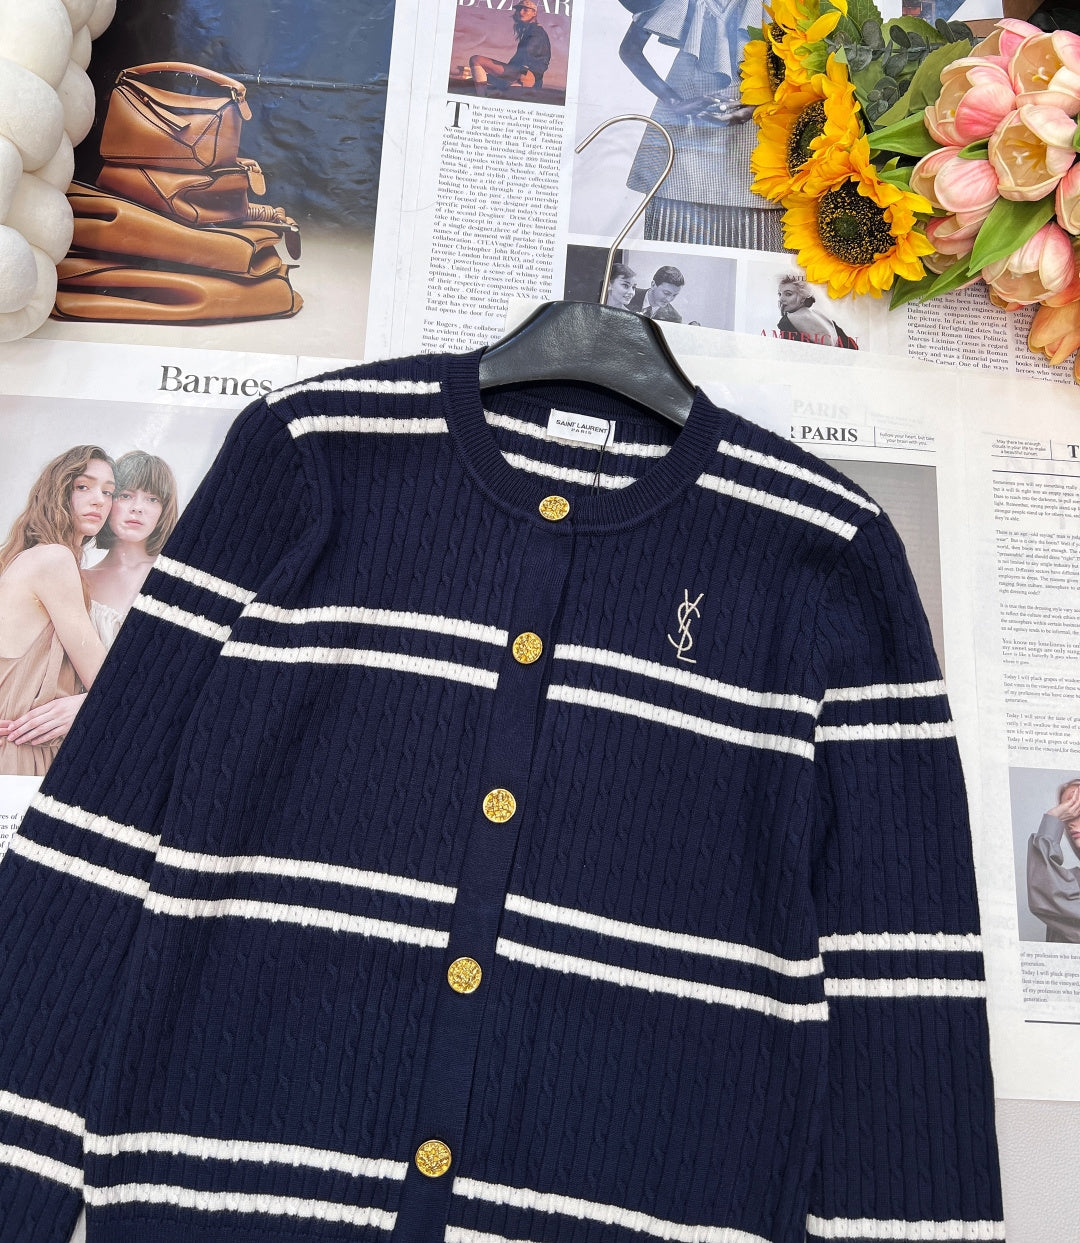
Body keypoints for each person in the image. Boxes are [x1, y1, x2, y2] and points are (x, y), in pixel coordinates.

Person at [618, 0, 779, 251]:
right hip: (686, 135)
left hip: (757, 136)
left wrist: (762, 104)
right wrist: (673, 101)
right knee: (671, 240)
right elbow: (629, 50)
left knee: (761, 236)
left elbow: (800, 64)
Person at [0, 446, 113, 774]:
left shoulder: (22, 559)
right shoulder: (54, 559)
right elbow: (106, 683)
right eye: (83, 486)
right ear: (57, 491)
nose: (99, 500)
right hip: (25, 752)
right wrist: (84, 704)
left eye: (108, 492)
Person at [83, 451, 179, 649]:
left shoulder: (174, 577)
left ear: (164, 510)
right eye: (125, 496)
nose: (137, 508)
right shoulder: (80, 580)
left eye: (152, 499)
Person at [1028, 778, 1080, 943]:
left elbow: (1047, 894)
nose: (1070, 823)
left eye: (1078, 808)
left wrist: (1051, 819)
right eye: (1068, 813)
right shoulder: (1074, 880)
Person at [470, 0, 551, 96]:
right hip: (526, 75)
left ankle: (481, 97)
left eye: (525, 10)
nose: (521, 12)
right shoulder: (532, 30)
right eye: (519, 9)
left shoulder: (536, 31)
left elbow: (531, 54)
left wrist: (527, 74)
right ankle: (484, 94)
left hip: (525, 75)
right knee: (481, 78)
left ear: (534, 13)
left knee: (476, 60)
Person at [775, 274, 858, 349]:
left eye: (788, 294)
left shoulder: (788, 321)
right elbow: (852, 347)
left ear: (803, 297)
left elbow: (789, 355)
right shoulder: (822, 316)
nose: (781, 299)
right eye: (780, 294)